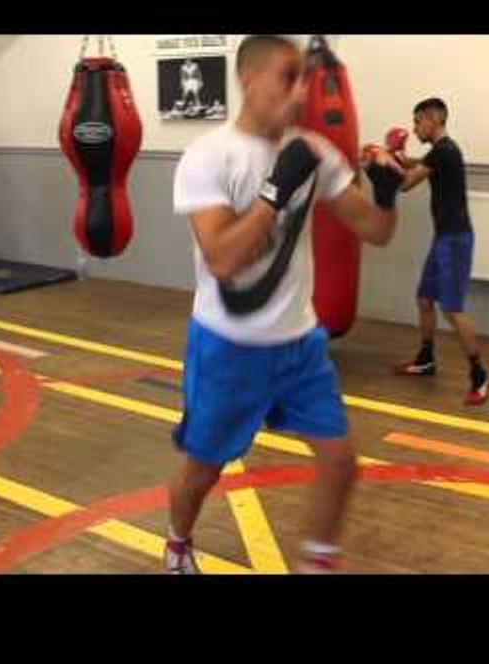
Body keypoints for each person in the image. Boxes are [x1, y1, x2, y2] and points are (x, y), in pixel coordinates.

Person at [168, 35, 404, 574]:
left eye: (305, 80)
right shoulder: (208, 156)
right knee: (203, 473)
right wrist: (276, 190)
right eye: (288, 77)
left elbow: (374, 229)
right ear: (249, 79)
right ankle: (178, 540)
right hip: (228, 347)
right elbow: (224, 260)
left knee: (341, 462)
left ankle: (317, 562)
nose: (300, 92)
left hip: (300, 342)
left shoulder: (313, 151)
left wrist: (387, 193)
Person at [391, 98, 489, 406]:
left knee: (452, 309)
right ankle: (426, 359)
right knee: (424, 299)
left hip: (455, 240)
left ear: (434, 119)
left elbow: (407, 183)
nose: (414, 127)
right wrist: (393, 156)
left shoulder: (445, 151)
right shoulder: (441, 151)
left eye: (418, 121)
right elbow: (415, 164)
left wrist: (384, 164)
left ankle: (480, 375)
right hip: (444, 238)